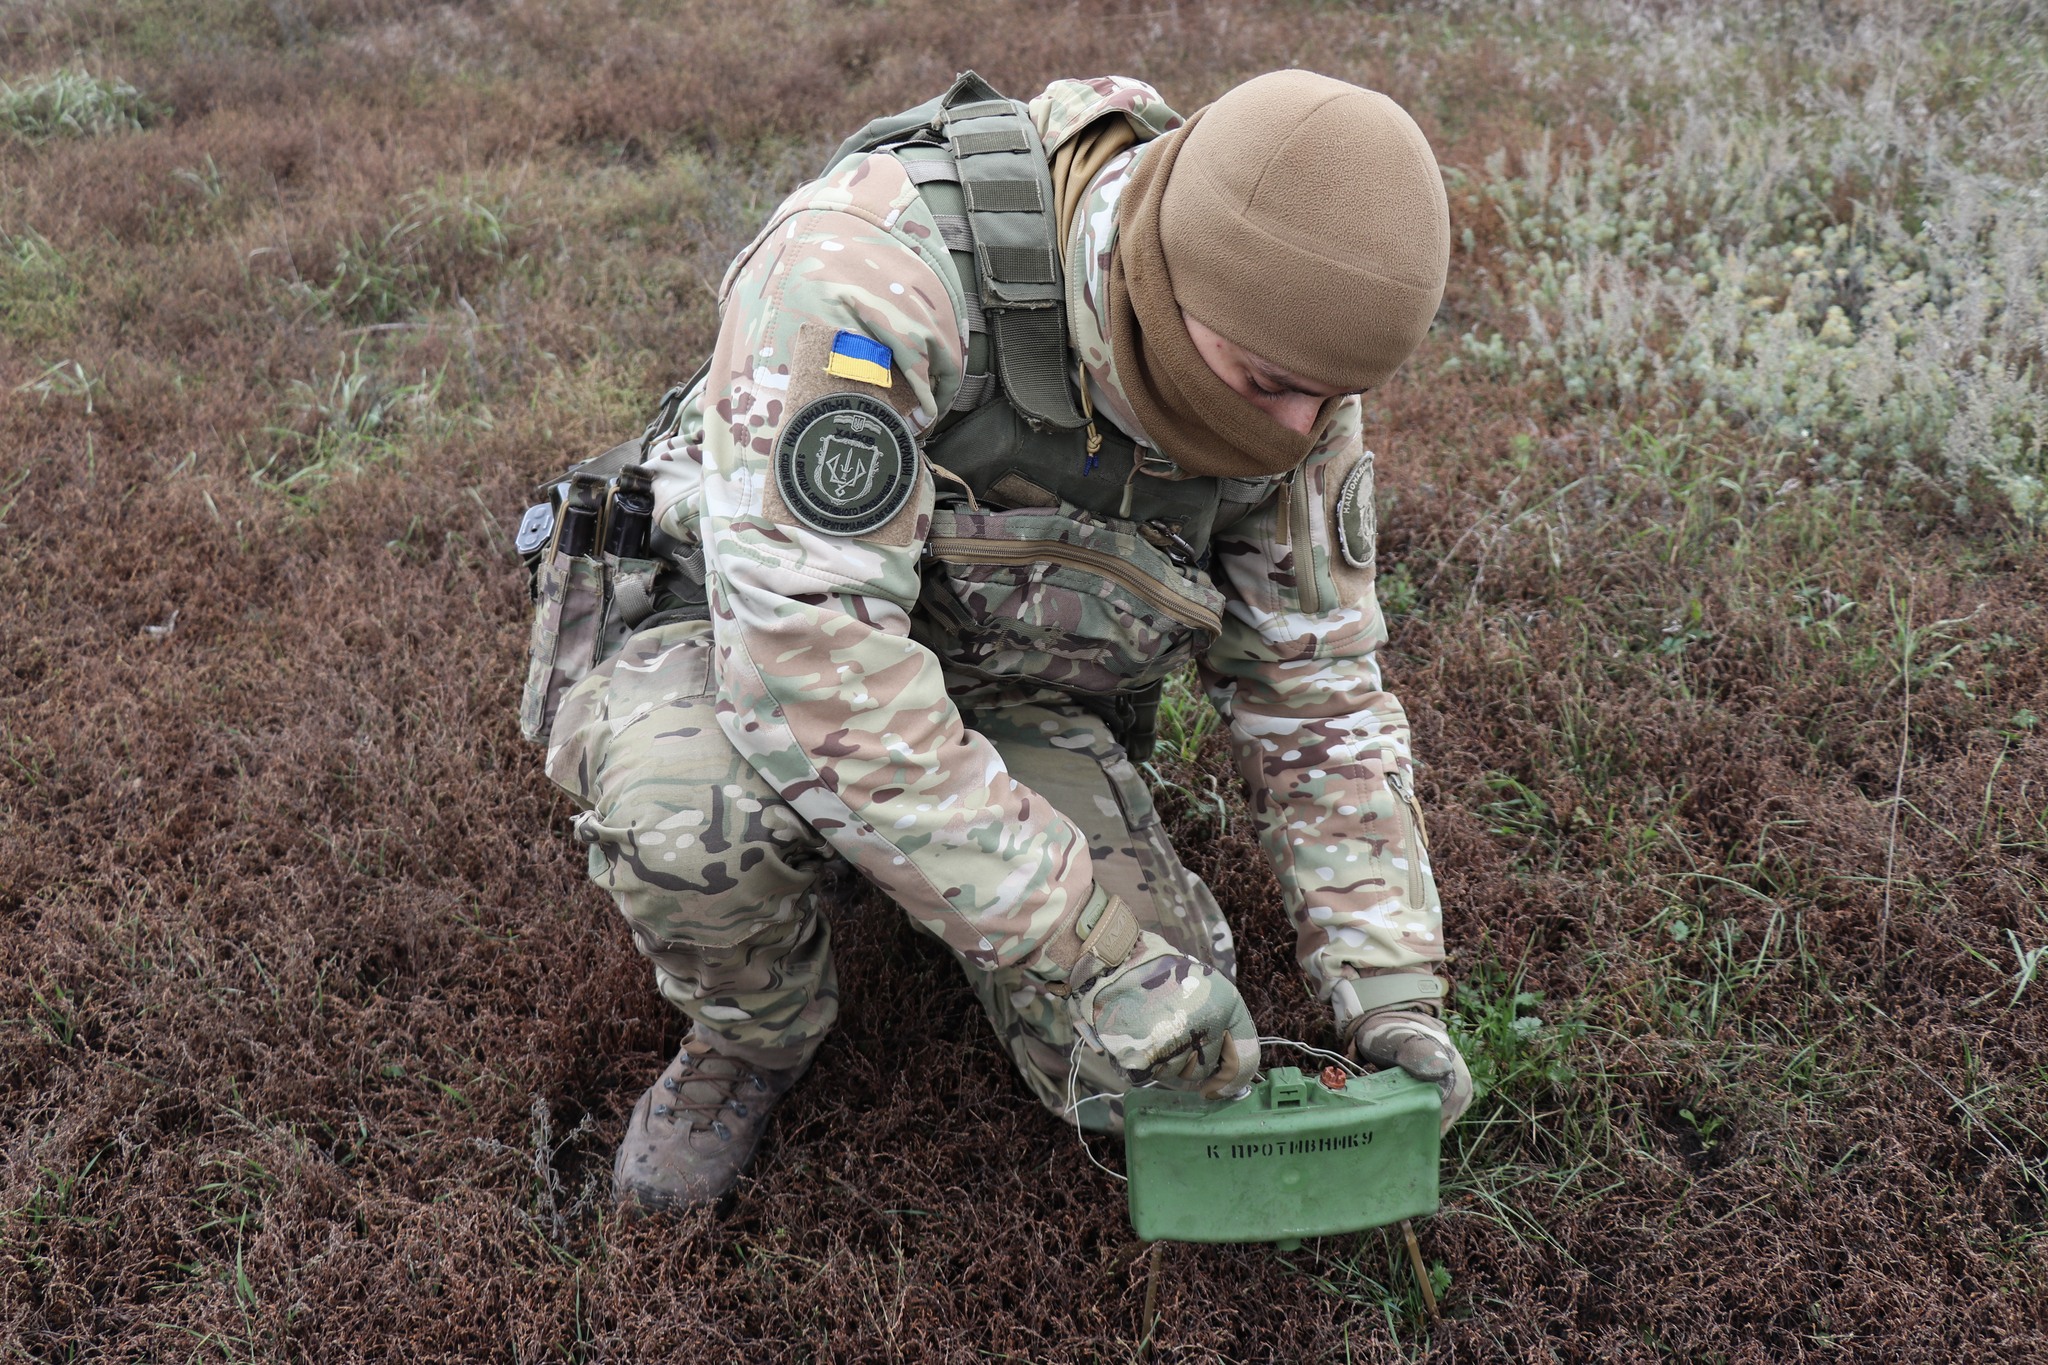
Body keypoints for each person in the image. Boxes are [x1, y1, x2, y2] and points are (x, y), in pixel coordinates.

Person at [527, 67, 1472, 1212]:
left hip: (1005, 666)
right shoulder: (869, 266)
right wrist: (1084, 948)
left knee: (1142, 1074)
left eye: (1325, 403)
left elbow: (1313, 685)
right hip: (734, 634)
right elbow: (810, 669)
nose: (1290, 432)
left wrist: (1388, 986)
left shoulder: (1292, 366)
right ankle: (752, 1037)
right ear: (1164, 276)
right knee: (689, 823)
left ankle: (937, 863)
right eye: (1268, 386)